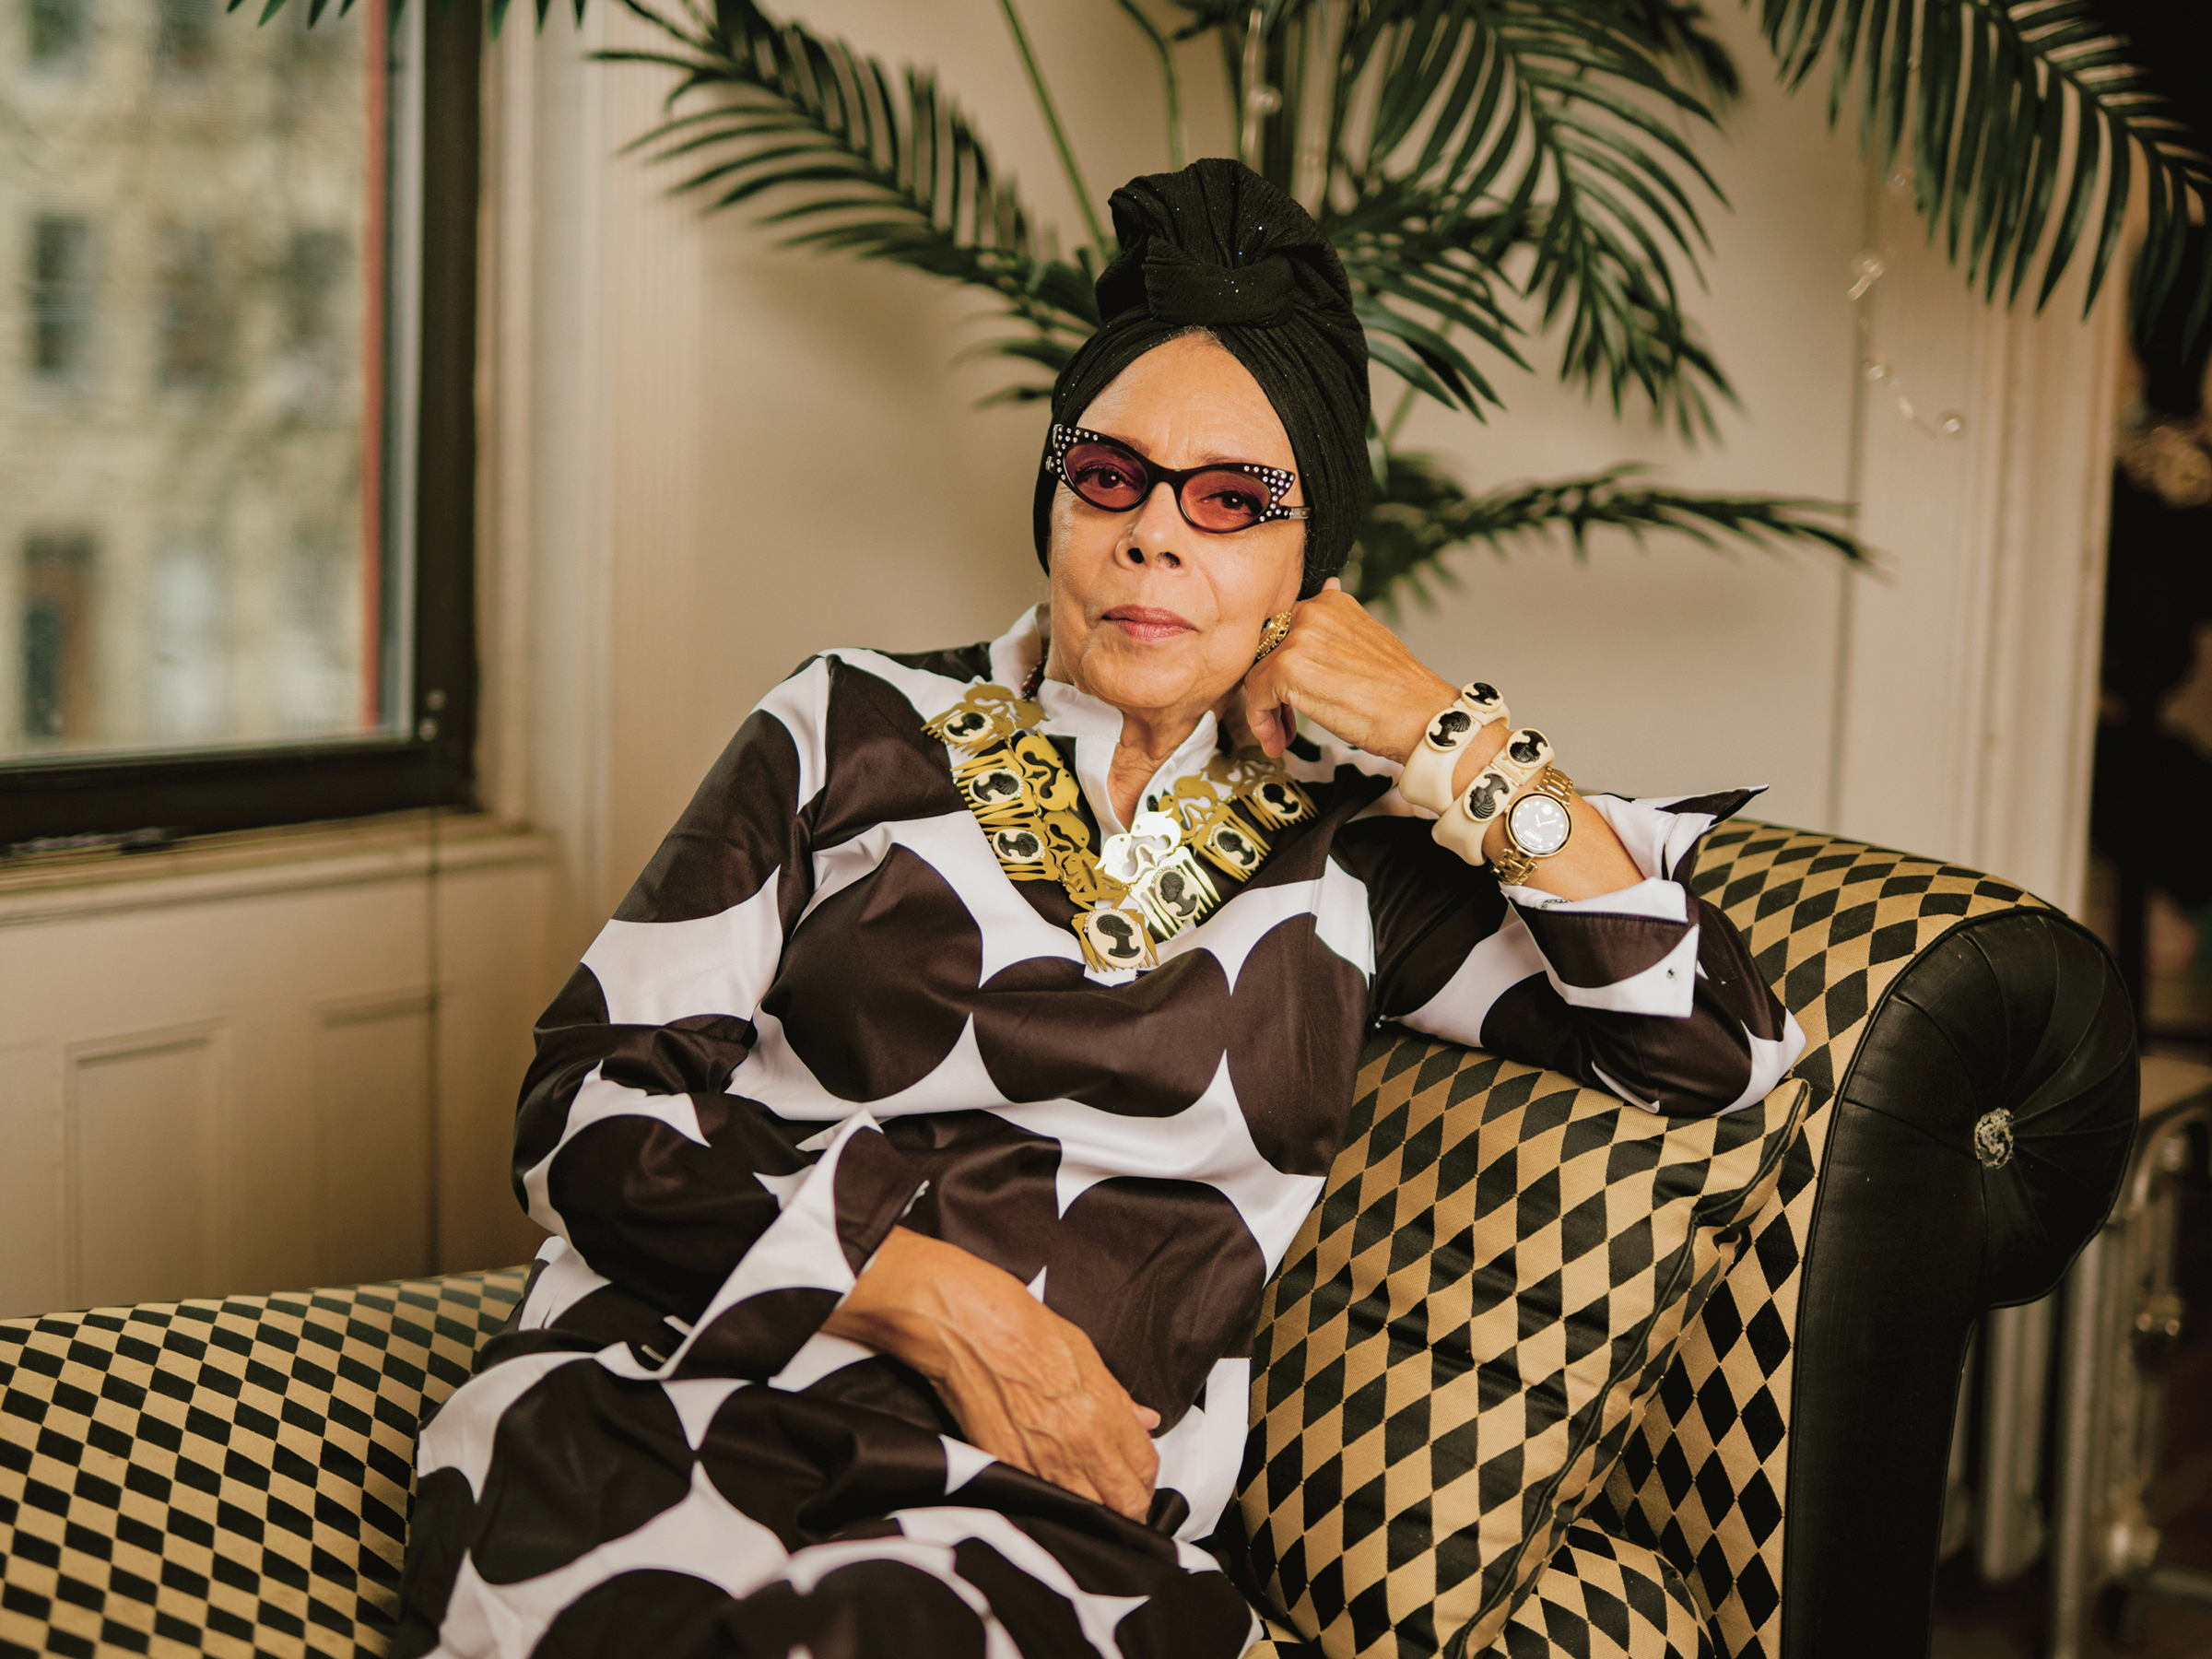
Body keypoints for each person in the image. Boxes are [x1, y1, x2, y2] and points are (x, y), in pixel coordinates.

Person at [395, 159, 1802, 1659]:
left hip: (1041, 1504)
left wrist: (1437, 728)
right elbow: (583, 1115)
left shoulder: (1352, 854)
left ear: (1310, 566)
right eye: (1108, 475)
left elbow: (1710, 1047)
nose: (1152, 535)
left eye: (1235, 500)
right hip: (685, 1389)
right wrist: (936, 1297)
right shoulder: (850, 728)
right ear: (1057, 497)